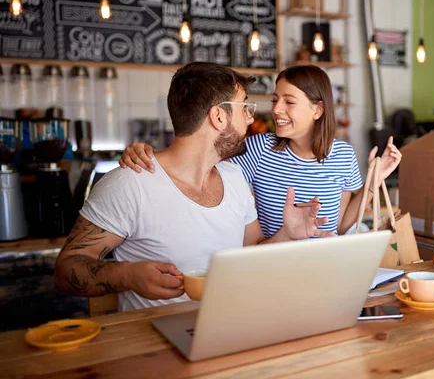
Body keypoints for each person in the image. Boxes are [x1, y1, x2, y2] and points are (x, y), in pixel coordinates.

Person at [54, 62, 332, 311]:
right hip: (155, 350)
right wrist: (127, 276)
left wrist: (287, 235)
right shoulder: (130, 183)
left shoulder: (234, 178)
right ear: (218, 117)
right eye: (245, 106)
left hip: (231, 329)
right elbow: (66, 270)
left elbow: (252, 253)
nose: (251, 117)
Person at [119, 65, 401, 238]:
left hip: (326, 266)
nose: (276, 109)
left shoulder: (343, 155)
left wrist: (375, 179)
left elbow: (339, 227)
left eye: (289, 102)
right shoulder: (257, 149)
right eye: (276, 100)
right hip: (272, 267)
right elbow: (198, 159)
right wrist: (146, 153)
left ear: (318, 109)